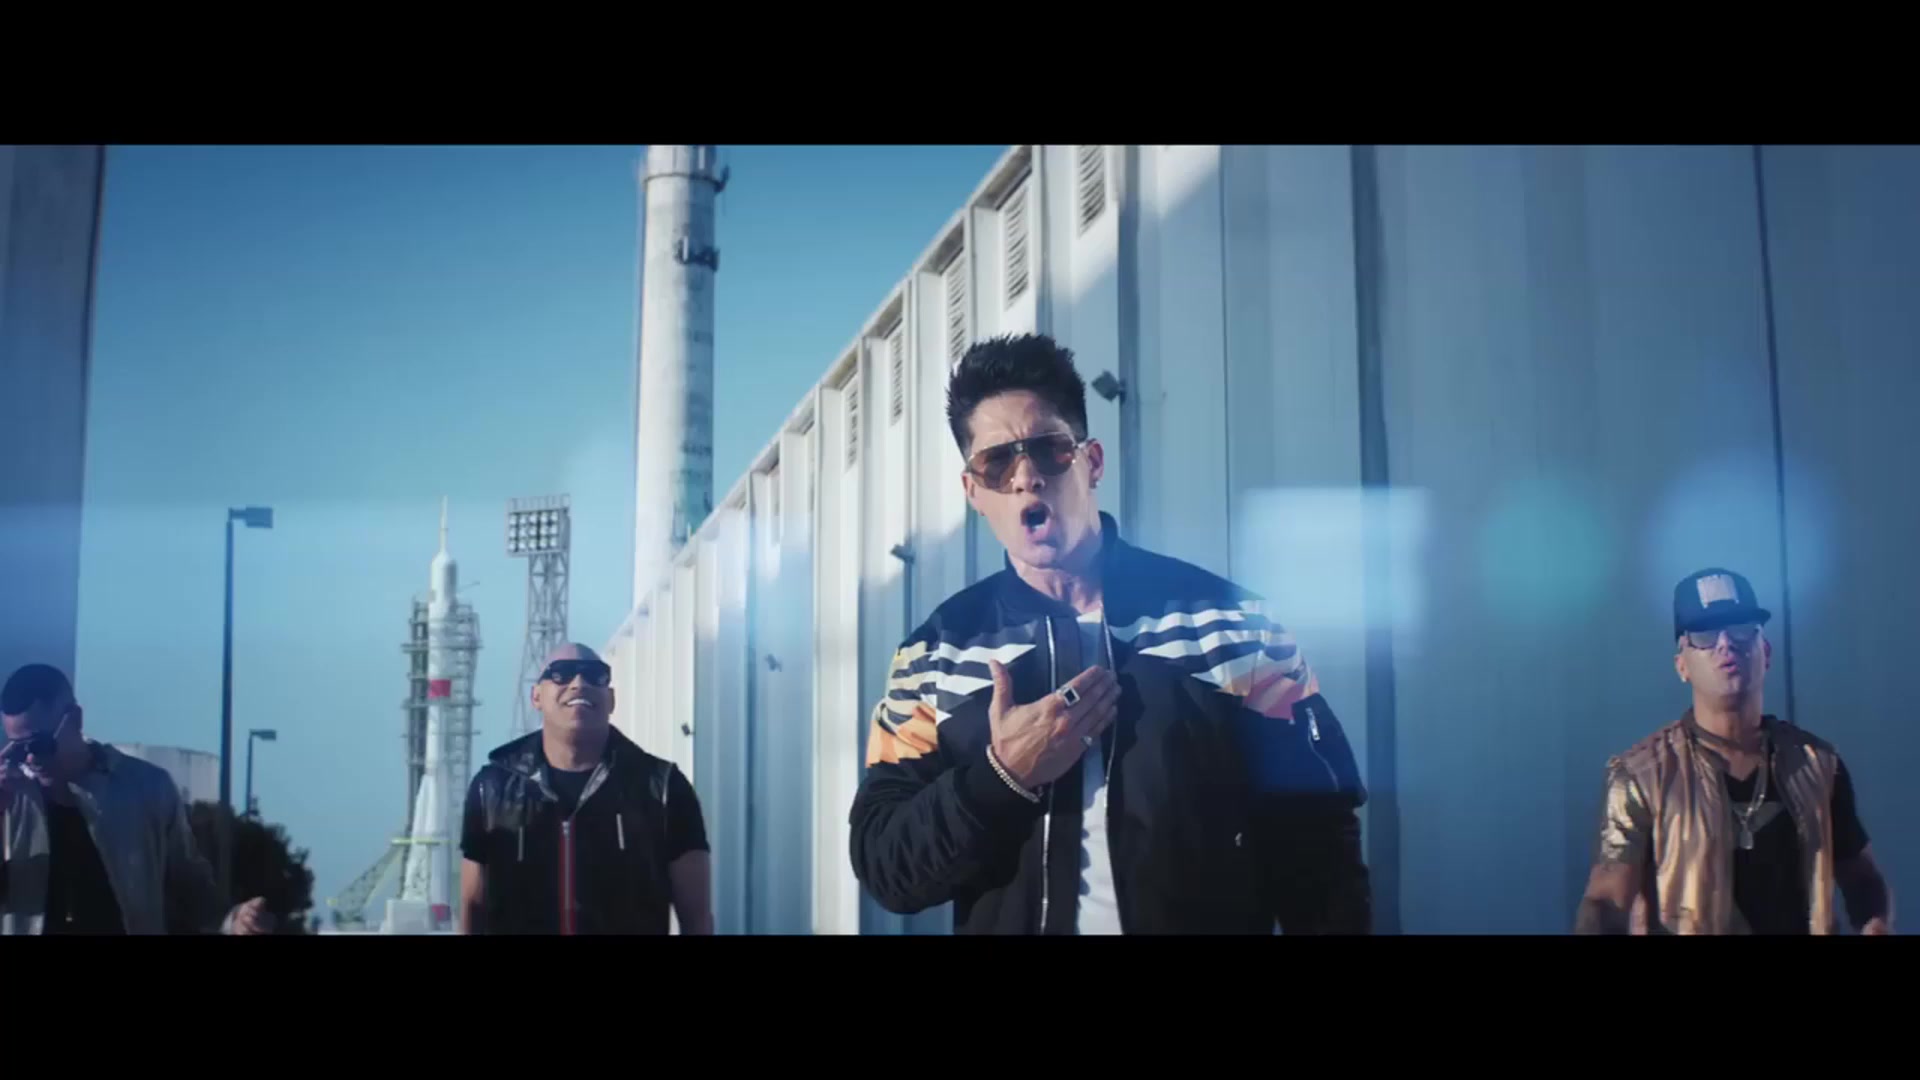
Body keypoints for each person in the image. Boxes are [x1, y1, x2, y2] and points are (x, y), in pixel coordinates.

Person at [849, 333, 1371, 934]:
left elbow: (1319, 846)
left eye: (1048, 449)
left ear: (1091, 462)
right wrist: (1001, 776)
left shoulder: (1232, 625)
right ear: (974, 492)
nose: (1026, 477)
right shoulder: (934, 655)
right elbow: (885, 864)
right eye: (997, 462)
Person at [1575, 568, 1894, 934]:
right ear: (1682, 665)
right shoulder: (1640, 777)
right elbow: (1607, 898)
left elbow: (1862, 878)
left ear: (1766, 652)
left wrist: (1875, 923)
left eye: (1741, 629)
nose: (1726, 644)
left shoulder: (1818, 765)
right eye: (1705, 635)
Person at [459, 643, 713, 934]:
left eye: (595, 675)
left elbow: (697, 918)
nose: (579, 684)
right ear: (536, 696)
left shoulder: (663, 787)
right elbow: (472, 906)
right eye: (561, 674)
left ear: (611, 699)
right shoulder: (492, 788)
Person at [1, 663, 271, 935]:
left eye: (39, 744)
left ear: (75, 719)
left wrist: (234, 920)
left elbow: (190, 885)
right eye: (18, 749)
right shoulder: (11, 800)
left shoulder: (146, 789)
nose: (30, 758)